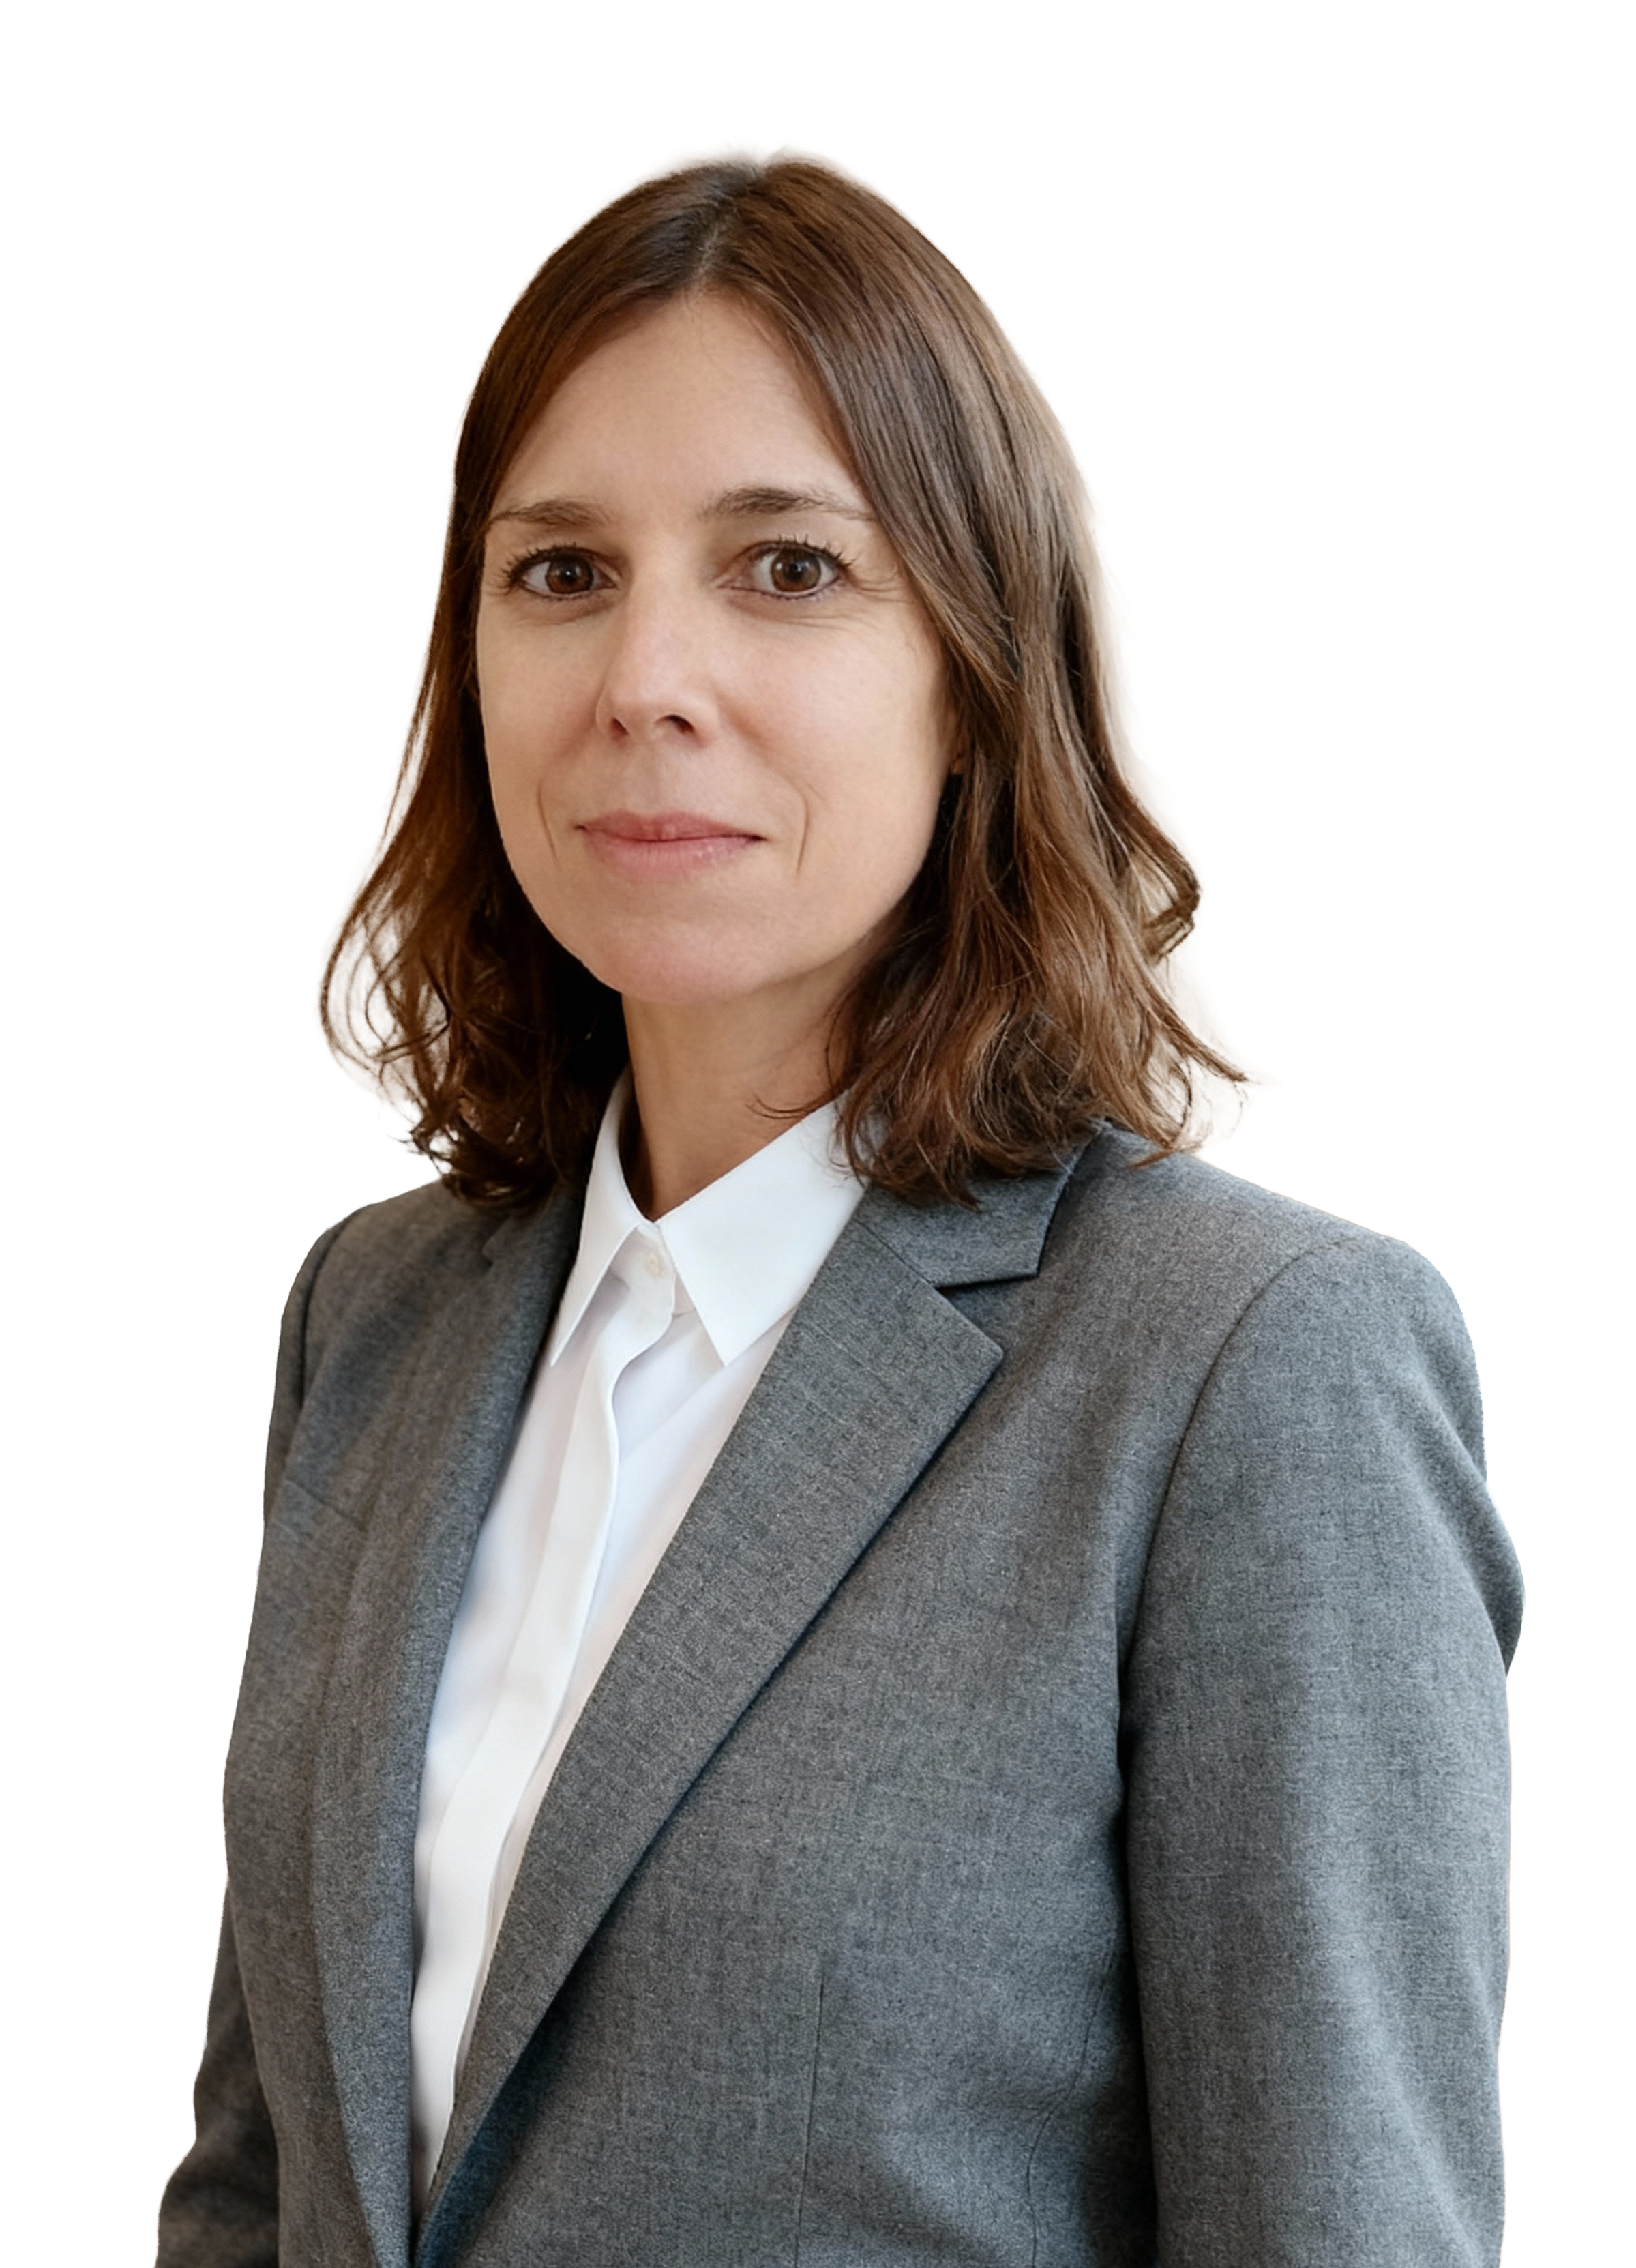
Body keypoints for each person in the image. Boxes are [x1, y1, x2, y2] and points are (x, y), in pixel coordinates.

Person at [158, 158, 1521, 2268]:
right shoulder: (380, 1316)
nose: (646, 676)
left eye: (786, 567)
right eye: (559, 571)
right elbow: (263, 2183)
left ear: (972, 673)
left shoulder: (1249, 1368)